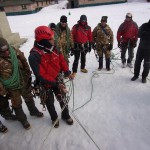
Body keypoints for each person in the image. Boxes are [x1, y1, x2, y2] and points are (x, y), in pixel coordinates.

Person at [28, 26, 74, 128]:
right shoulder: (34, 56)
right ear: (44, 40)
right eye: (51, 38)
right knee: (49, 102)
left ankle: (65, 115)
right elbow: (40, 75)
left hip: (57, 78)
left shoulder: (54, 48)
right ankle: (54, 118)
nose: (54, 40)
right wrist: (57, 84)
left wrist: (67, 71)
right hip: (45, 83)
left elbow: (61, 60)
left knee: (62, 98)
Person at [0, 37, 43, 130]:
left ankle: (33, 111)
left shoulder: (14, 50)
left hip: (23, 79)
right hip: (10, 86)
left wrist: (28, 72)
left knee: (28, 96)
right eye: (3, 52)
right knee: (16, 103)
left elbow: (23, 60)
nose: (7, 52)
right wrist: (2, 90)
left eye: (7, 49)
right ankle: (23, 119)